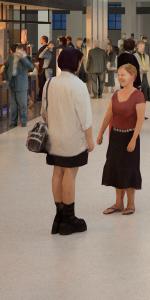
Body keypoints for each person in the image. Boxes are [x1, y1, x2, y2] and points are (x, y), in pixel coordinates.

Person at [41, 46, 94, 235]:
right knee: (70, 176)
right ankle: (69, 220)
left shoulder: (49, 83)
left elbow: (44, 113)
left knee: (57, 174)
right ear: (76, 63)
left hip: (53, 139)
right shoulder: (78, 85)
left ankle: (59, 216)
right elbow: (85, 117)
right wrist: (90, 140)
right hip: (72, 140)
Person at [97, 63, 146, 215]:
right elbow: (108, 115)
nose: (120, 78)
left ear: (133, 76)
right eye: (119, 75)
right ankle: (119, 203)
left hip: (130, 137)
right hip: (116, 137)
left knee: (129, 169)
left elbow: (140, 120)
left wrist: (133, 139)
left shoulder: (138, 95)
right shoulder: (116, 94)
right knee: (116, 169)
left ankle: (131, 204)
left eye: (123, 75)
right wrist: (100, 133)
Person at [4, 44, 33, 127]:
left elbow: (31, 66)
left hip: (21, 83)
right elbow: (7, 67)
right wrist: (6, 77)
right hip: (11, 82)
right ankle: (13, 121)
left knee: (22, 104)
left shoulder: (27, 57)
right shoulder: (11, 56)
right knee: (13, 104)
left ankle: (23, 121)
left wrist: (23, 57)